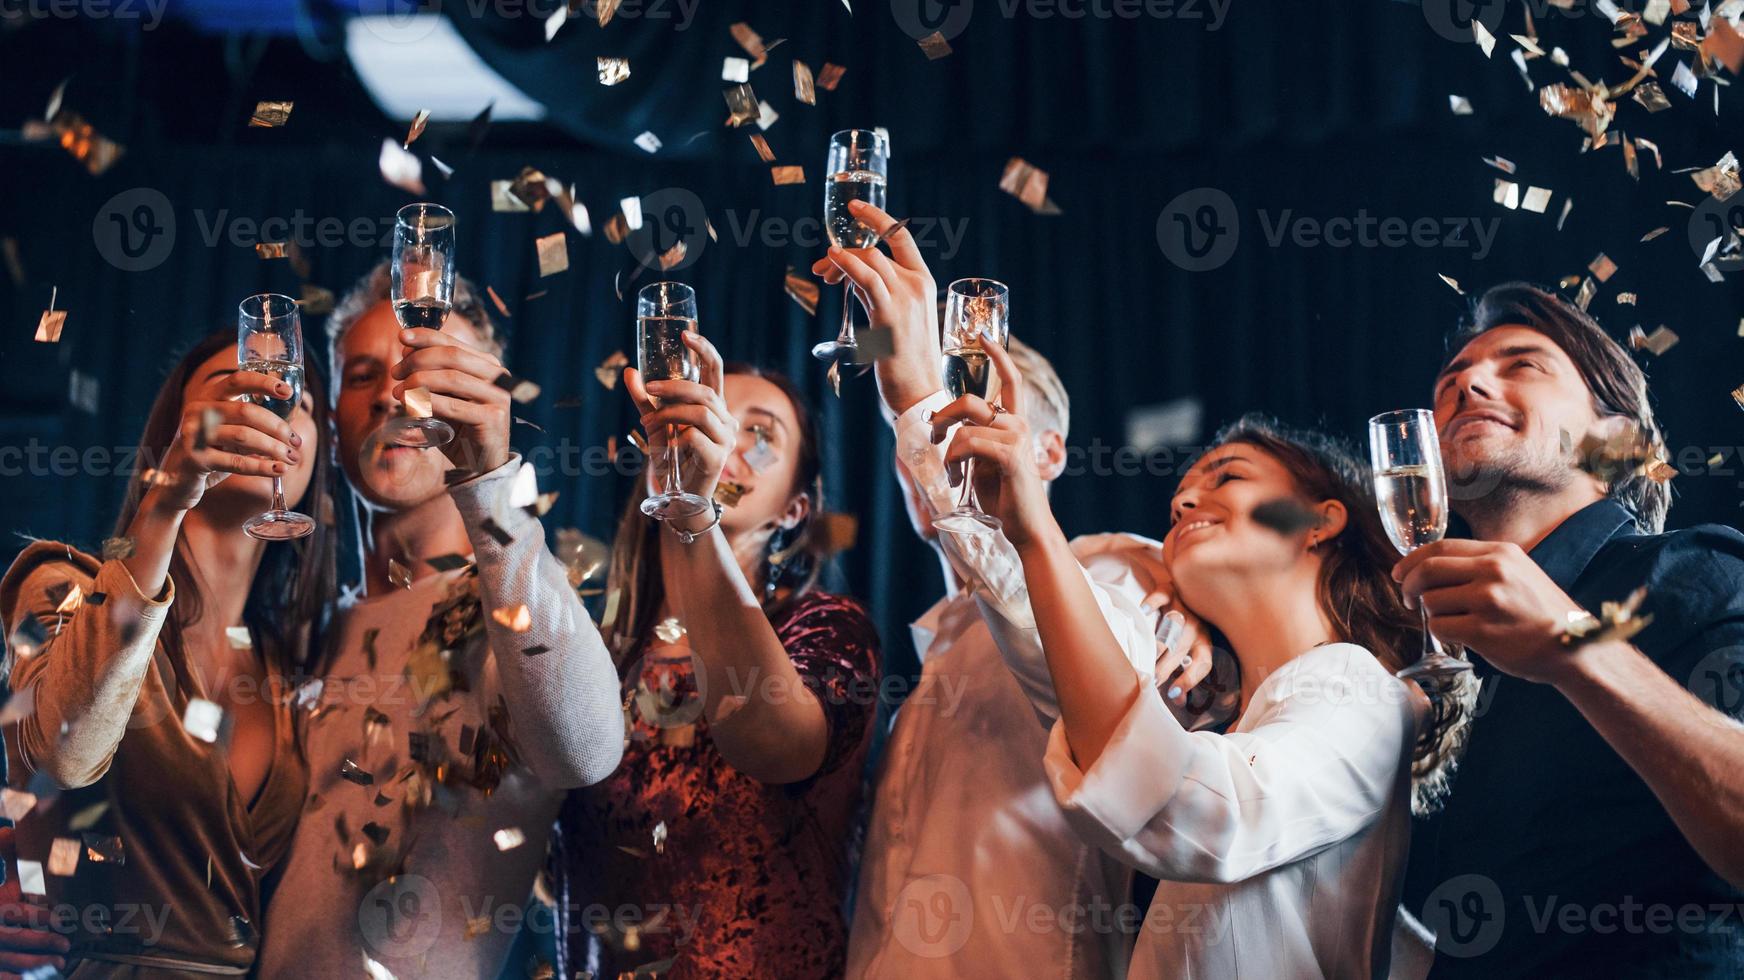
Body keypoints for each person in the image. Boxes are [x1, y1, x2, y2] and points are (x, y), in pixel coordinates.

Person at [941, 338, 1474, 977]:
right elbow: (1045, 655)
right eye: (1178, 502)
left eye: (1230, 477)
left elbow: (1210, 810)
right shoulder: (1223, 713)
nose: (1185, 502)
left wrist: (1039, 534)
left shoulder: (1359, 686)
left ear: (1319, 520)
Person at [814, 199, 1186, 979]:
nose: (940, 444)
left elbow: (1089, 684)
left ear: (1047, 451)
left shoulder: (1115, 572)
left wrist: (915, 393)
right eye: (921, 430)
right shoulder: (934, 650)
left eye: (972, 411)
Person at [249, 262, 624, 979]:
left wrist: (491, 493)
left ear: (487, 396)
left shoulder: (508, 610)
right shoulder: (307, 632)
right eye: (362, 375)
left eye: (429, 367)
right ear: (330, 422)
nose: (397, 393)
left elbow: (586, 749)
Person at [1396, 283, 1744, 977]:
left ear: (1613, 442)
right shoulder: (1421, 647)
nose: (1469, 381)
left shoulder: (1694, 572)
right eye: (1450, 381)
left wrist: (1576, 646)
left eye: (1522, 364)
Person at [0, 327, 337, 975]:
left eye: (292, 399)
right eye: (236, 389)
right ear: (173, 435)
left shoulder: (293, 672)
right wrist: (168, 501)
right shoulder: (62, 589)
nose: (268, 408)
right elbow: (65, 755)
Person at [555, 327, 881, 979]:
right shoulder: (597, 655)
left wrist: (690, 513)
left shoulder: (827, 631)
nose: (725, 439)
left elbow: (772, 742)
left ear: (796, 508)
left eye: (760, 433)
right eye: (713, 415)